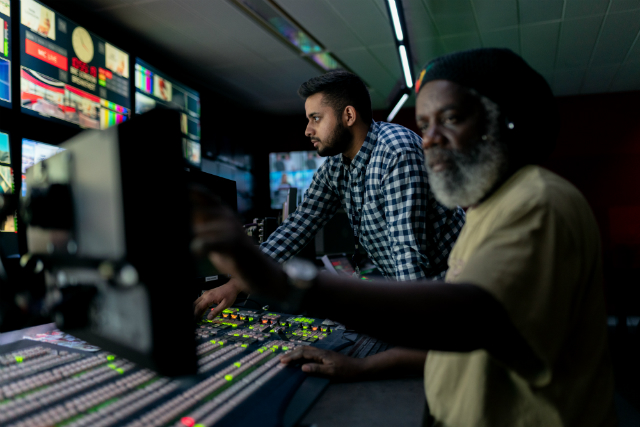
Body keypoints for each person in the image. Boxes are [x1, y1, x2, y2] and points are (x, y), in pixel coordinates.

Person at [192, 48, 616, 426]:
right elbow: (301, 224)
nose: (428, 139)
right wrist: (239, 282)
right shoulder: (490, 207)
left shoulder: (536, 203)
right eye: (425, 122)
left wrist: (290, 286)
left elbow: (458, 311)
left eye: (448, 119)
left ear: (505, 121)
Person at [194, 70, 465, 319]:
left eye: (316, 118)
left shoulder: (395, 152)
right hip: (418, 295)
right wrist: (236, 284)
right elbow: (298, 226)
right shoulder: (337, 166)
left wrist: (409, 335)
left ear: (348, 116)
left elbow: (408, 255)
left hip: (451, 292)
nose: (307, 130)